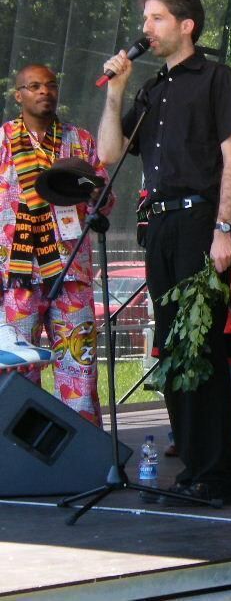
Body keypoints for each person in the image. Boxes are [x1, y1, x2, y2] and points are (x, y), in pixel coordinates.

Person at [98, 0, 231, 505]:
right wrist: (117, 91)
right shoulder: (154, 89)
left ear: (186, 25)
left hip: (198, 220)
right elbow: (110, 154)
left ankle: (215, 474)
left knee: (199, 345)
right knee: (172, 348)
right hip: (157, 224)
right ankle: (191, 468)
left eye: (156, 18)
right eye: (145, 18)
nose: (146, 28)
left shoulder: (215, 77)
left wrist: (224, 229)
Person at [0, 63, 112, 425]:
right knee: (16, 370)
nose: (44, 92)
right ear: (18, 96)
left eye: (50, 85)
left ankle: (84, 459)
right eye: (34, 86)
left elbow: (105, 201)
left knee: (79, 368)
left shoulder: (80, 140)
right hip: (17, 276)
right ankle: (18, 458)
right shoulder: (2, 141)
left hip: (70, 270)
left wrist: (96, 193)